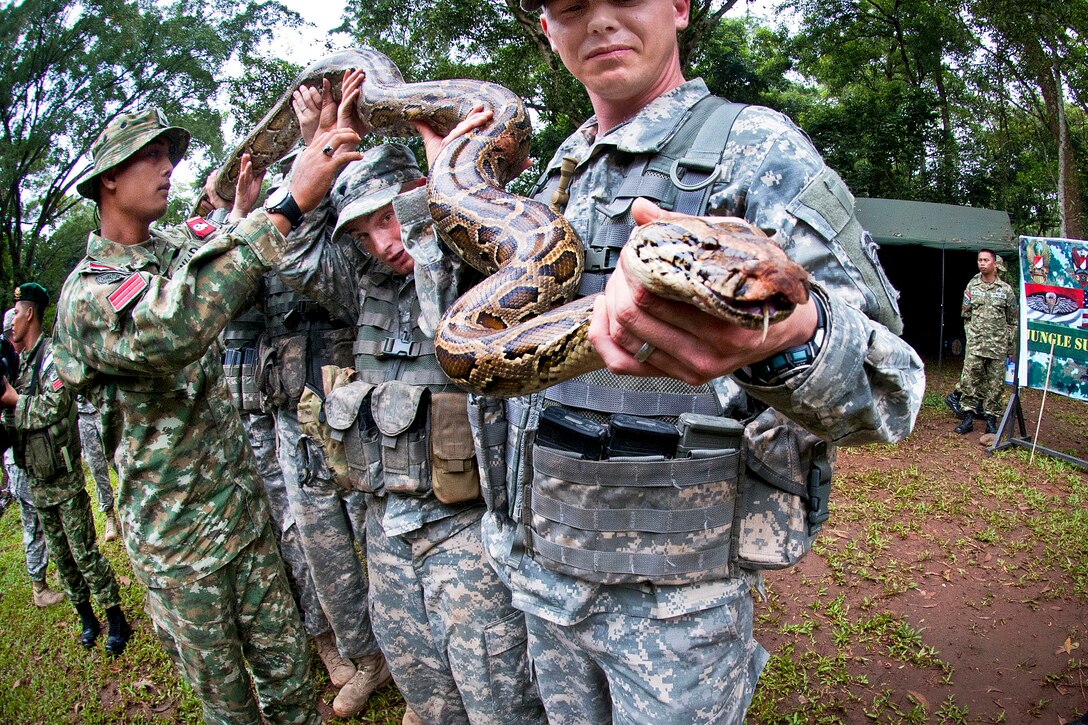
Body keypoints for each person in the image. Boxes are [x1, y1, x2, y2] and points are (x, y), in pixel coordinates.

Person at [415, 1, 926, 722]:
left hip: (675, 612)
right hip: (541, 577)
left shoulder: (756, 146)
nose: (599, 21)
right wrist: (446, 190)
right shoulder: (559, 170)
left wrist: (792, 333)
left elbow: (893, 383)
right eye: (571, 6)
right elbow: (471, 340)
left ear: (681, 6)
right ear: (546, 27)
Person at [50, 106, 362, 724]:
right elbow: (175, 323)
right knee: (231, 706)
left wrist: (249, 212)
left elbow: (226, 270)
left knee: (291, 682)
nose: (169, 168)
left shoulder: (171, 248)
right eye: (152, 156)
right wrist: (287, 204)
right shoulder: (86, 294)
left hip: (241, 517)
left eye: (171, 155)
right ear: (109, 177)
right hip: (180, 548)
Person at [265, 72, 546, 724]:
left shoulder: (468, 266)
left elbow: (445, 294)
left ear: (420, 197)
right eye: (364, 234)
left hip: (463, 533)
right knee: (427, 695)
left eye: (391, 218)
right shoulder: (359, 287)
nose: (384, 242)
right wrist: (315, 149)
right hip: (386, 527)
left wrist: (438, 192)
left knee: (499, 700)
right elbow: (296, 255)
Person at [0, 283, 132, 653]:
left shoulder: (53, 357)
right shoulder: (19, 363)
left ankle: (115, 616)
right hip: (36, 477)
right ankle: (87, 617)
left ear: (29, 313)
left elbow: (54, 408)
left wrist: (14, 400)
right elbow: (14, 420)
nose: (10, 324)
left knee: (84, 552)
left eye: (15, 314)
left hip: (63, 475)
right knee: (62, 557)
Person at [2, 307, 65, 608]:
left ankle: (42, 581)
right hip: (21, 460)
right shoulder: (13, 367)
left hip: (27, 456)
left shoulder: (25, 362)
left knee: (37, 523)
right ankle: (39, 586)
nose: (12, 330)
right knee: (35, 524)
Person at [945, 248, 1017, 435]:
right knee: (969, 382)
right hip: (976, 345)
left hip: (997, 347)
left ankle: (991, 421)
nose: (982, 263)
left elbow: (1012, 321)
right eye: (980, 260)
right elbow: (966, 314)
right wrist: (971, 336)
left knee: (995, 385)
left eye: (986, 260)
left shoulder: (1006, 290)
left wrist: (1009, 345)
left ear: (994, 264)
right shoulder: (972, 286)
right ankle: (967, 418)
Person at [75, 395, 120, 542]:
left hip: (104, 407)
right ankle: (109, 515)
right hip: (81, 415)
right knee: (96, 468)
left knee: (121, 461)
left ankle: (136, 505)